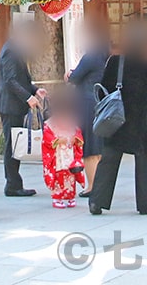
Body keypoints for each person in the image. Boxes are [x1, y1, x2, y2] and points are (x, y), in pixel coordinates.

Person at [89, 21, 147, 216]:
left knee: (109, 161)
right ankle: (145, 205)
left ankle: (97, 202)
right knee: (143, 163)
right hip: (140, 123)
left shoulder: (115, 62)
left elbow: (103, 89)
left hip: (115, 120)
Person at [0, 20, 47, 197]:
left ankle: (14, 182)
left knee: (14, 143)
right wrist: (28, 97)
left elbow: (21, 78)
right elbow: (10, 80)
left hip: (14, 104)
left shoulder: (16, 49)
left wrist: (35, 90)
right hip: (10, 105)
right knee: (12, 144)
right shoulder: (10, 51)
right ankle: (12, 185)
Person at [66, 22, 110, 198]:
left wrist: (69, 74)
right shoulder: (105, 57)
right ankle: (98, 184)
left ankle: (91, 186)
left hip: (86, 103)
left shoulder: (90, 56)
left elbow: (75, 78)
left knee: (89, 149)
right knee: (98, 148)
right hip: (99, 103)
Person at [41, 88, 85, 209]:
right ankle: (57, 197)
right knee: (58, 176)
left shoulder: (72, 123)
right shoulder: (50, 124)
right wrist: (58, 140)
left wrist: (76, 139)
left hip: (70, 154)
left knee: (70, 176)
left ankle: (70, 197)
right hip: (57, 156)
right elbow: (47, 139)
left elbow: (78, 135)